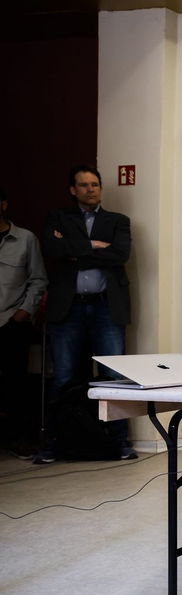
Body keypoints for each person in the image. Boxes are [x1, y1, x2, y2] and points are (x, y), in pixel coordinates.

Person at [37, 165, 135, 463]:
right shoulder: (59, 217)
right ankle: (50, 444)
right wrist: (92, 245)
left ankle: (121, 442)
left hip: (107, 306)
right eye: (83, 185)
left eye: (94, 184)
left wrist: (74, 251)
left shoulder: (118, 220)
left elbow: (120, 254)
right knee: (63, 376)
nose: (90, 189)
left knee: (113, 377)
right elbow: (52, 248)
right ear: (73, 189)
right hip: (69, 307)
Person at [0, 186, 49, 459]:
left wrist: (24, 312)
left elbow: (38, 279)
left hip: (12, 321)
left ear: (4, 204)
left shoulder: (25, 239)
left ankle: (17, 438)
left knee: (15, 384)